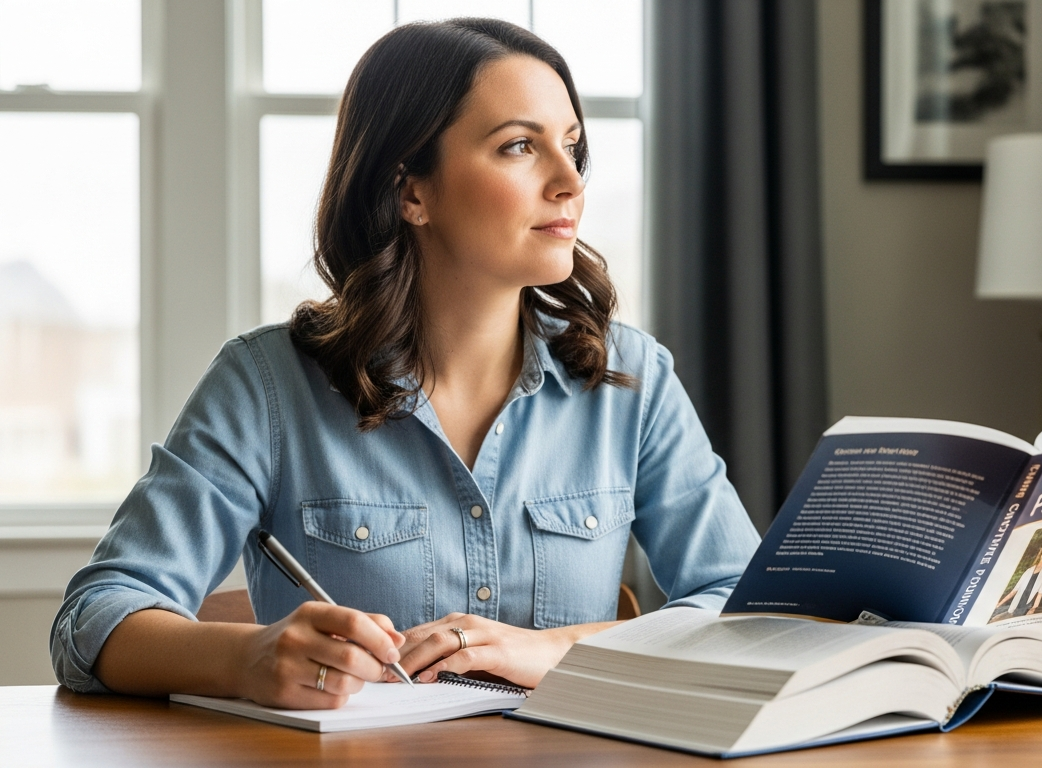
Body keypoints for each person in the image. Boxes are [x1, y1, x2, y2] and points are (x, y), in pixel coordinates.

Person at [50, 18, 760, 710]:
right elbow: (96, 616)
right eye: (519, 146)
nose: (569, 180)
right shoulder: (264, 385)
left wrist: (559, 650)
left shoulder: (630, 377)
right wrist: (248, 657)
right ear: (410, 191)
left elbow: (744, 606)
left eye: (572, 146)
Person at [990, 539, 1042, 620]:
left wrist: (1033, 608)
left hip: (1027, 606)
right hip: (1016, 605)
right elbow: (1014, 591)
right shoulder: (1028, 571)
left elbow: (1041, 592)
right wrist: (998, 604)